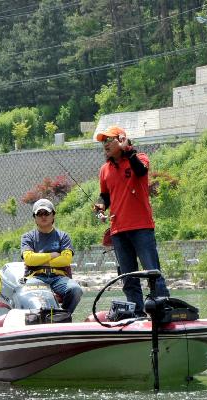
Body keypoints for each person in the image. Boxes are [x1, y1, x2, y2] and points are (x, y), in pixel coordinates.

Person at [93, 125, 169, 315]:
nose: (105, 145)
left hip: (141, 227)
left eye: (109, 140)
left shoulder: (140, 158)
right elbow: (105, 195)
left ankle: (164, 310)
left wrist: (128, 150)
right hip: (118, 231)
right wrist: (101, 205)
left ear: (121, 139)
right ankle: (137, 314)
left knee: (152, 272)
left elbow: (141, 172)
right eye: (103, 141)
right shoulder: (104, 170)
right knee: (128, 278)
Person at [20, 198, 84, 314]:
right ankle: (37, 321)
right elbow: (29, 260)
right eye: (39, 214)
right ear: (34, 218)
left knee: (76, 290)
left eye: (46, 213)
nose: (43, 216)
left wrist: (40, 260)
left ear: (53, 215)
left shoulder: (63, 236)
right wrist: (52, 255)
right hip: (36, 278)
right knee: (31, 296)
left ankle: (63, 316)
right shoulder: (28, 237)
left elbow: (66, 260)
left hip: (59, 278)